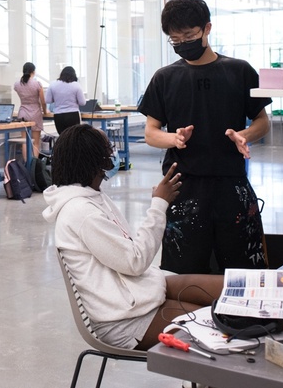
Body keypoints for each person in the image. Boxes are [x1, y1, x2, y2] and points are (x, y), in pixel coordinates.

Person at [43, 123, 224, 351]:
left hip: (135, 295)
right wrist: (158, 205)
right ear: (93, 161)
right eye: (107, 149)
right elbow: (135, 261)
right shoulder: (81, 212)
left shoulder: (92, 196)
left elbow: (128, 255)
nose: (112, 153)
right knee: (218, 324)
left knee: (224, 289)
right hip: (125, 320)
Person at [139, 0, 272, 274]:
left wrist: (244, 135)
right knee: (181, 274)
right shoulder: (165, 78)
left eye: (188, 35)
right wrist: (173, 139)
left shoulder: (239, 71)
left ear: (207, 28)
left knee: (243, 269)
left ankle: (240, 318)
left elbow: (262, 121)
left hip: (231, 184)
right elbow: (151, 132)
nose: (182, 43)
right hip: (182, 187)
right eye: (174, 39)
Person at [13, 62, 47, 159]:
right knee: (35, 142)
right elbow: (43, 101)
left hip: (23, 112)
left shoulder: (17, 84)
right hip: (35, 112)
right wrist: (45, 111)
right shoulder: (37, 84)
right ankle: (34, 165)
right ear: (33, 71)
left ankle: (26, 165)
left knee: (24, 141)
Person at [45, 65, 85, 135]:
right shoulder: (76, 85)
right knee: (73, 137)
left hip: (58, 116)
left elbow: (48, 100)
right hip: (73, 115)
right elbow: (82, 102)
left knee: (62, 137)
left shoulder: (53, 84)